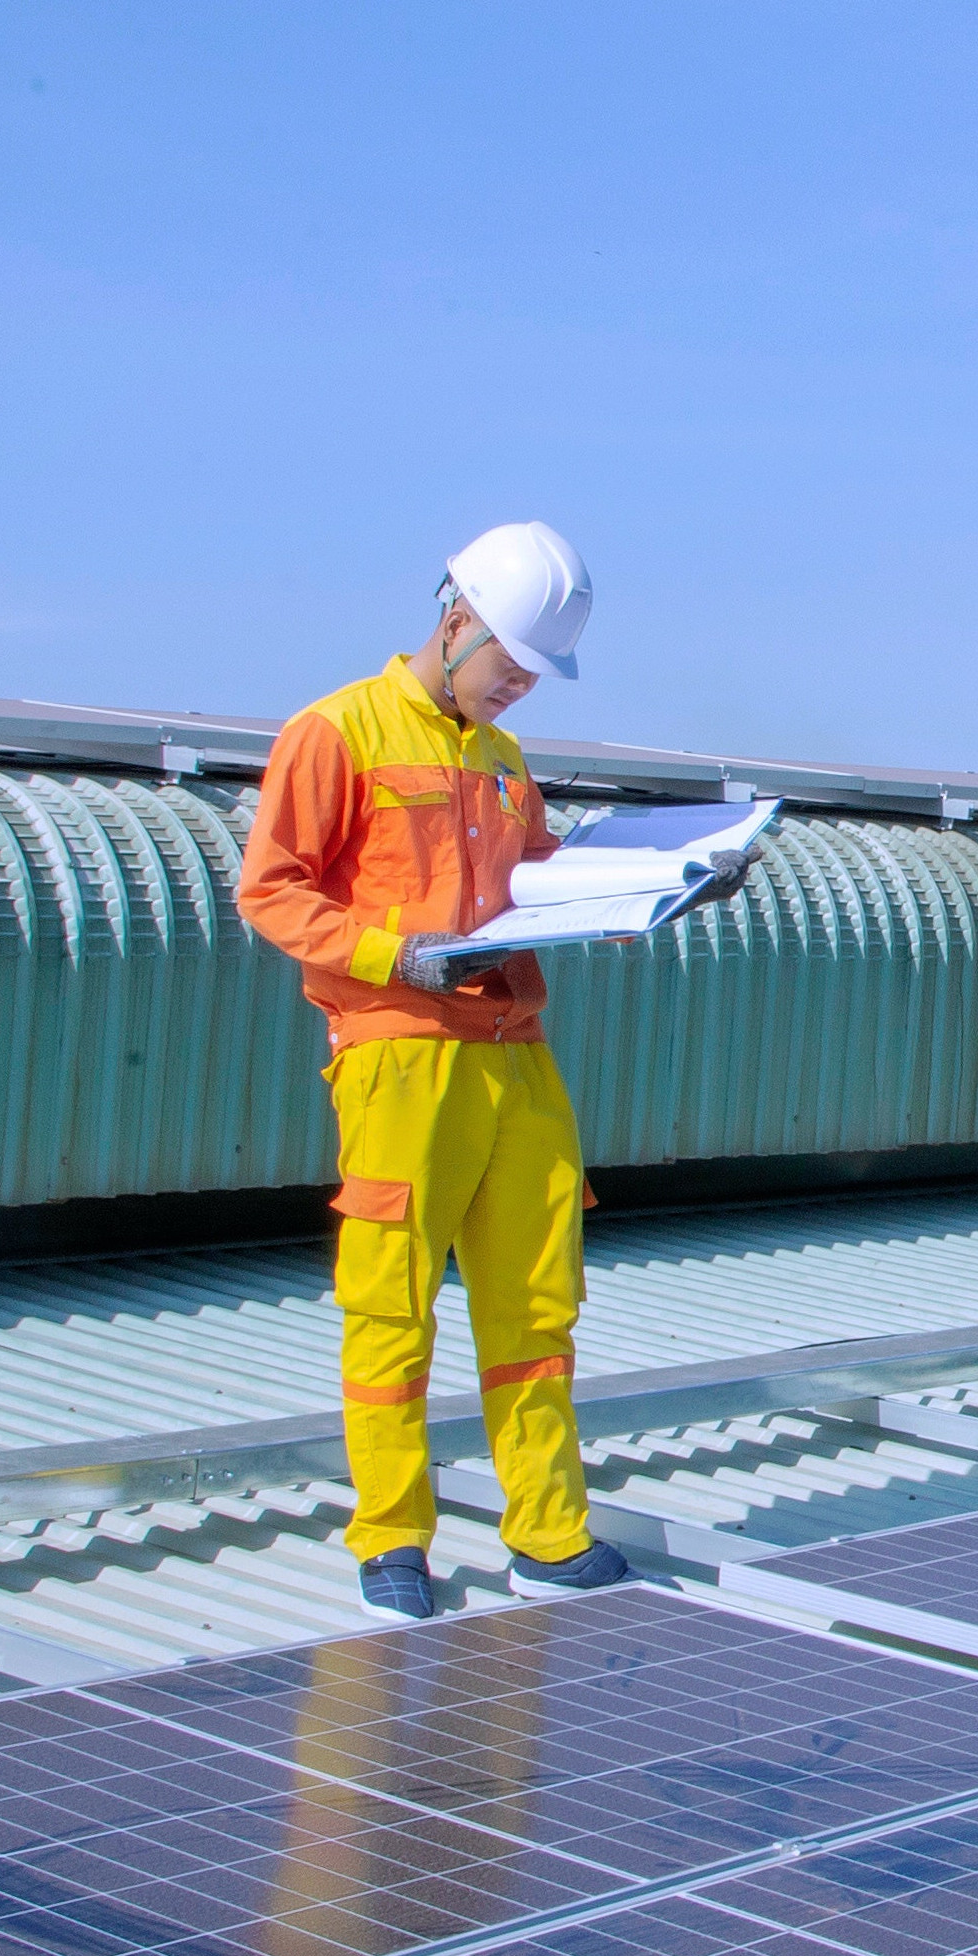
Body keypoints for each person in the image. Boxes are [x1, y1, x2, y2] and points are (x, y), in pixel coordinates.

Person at [237, 520, 633, 1621]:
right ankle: (392, 1539)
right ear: (454, 619)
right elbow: (270, 890)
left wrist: (641, 894)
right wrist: (388, 953)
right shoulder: (334, 732)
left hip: (513, 1053)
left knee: (536, 1304)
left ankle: (547, 1535)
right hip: (400, 1053)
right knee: (392, 1306)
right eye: (509, 663)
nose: (518, 688)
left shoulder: (504, 766)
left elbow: (536, 889)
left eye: (532, 674)